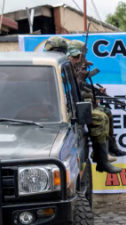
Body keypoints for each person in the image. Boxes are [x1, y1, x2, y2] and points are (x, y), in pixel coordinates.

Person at [43, 36, 119, 174]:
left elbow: (78, 92)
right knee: (98, 117)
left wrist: (93, 93)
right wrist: (78, 78)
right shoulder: (49, 69)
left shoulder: (64, 66)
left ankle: (106, 153)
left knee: (102, 113)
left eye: (61, 51)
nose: (59, 55)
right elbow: (66, 94)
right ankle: (102, 160)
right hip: (56, 115)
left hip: (65, 111)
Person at [67, 40, 126, 159]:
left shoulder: (79, 67)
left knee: (107, 112)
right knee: (101, 117)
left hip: (81, 104)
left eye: (80, 56)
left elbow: (83, 86)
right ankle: (100, 153)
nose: (78, 59)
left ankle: (111, 146)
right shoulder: (64, 69)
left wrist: (95, 92)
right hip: (72, 110)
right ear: (68, 56)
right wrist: (79, 78)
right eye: (74, 57)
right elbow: (69, 92)